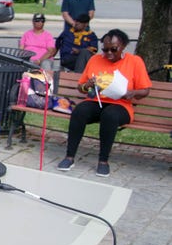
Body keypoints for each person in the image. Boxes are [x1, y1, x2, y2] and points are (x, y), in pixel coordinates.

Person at [57, 29, 151, 177]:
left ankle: (103, 161)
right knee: (80, 111)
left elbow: (145, 90)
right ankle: (69, 157)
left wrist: (132, 93)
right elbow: (81, 88)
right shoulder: (95, 60)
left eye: (113, 49)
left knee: (110, 115)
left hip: (121, 105)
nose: (108, 53)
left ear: (124, 46)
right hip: (97, 100)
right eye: (105, 49)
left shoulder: (135, 61)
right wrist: (87, 85)